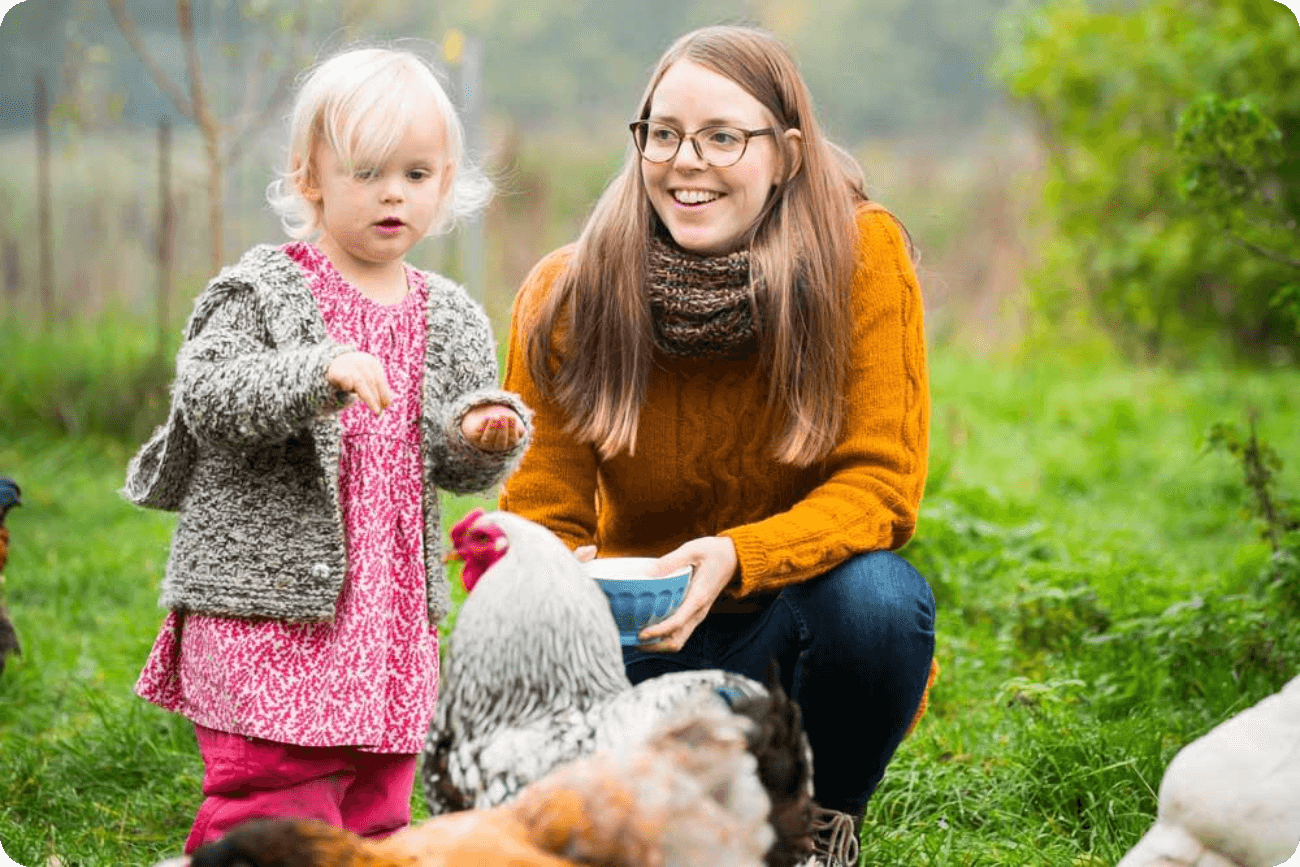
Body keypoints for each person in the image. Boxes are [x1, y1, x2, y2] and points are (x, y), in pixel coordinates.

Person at [499, 24, 936, 860]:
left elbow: (880, 484)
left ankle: (814, 832)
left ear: (789, 152)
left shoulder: (861, 257)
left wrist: (738, 555)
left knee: (880, 600)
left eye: (722, 136)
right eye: (663, 134)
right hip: (642, 647)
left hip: (794, 637)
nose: (684, 160)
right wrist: (576, 582)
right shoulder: (568, 293)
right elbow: (541, 516)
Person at [123, 46, 529, 853]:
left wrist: (483, 437)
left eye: (417, 174)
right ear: (309, 176)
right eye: (367, 170)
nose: (393, 192)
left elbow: (455, 461)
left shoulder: (448, 315)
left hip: (387, 615)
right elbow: (210, 394)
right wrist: (317, 370)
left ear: (446, 184)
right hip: (273, 609)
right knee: (276, 793)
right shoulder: (263, 289)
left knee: (379, 800)